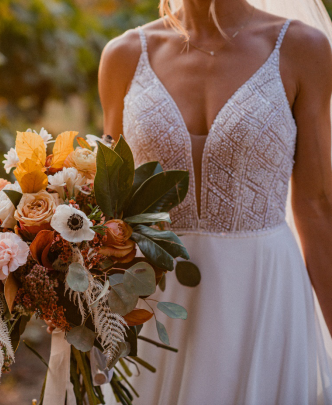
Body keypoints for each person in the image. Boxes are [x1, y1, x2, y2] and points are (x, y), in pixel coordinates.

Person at [96, 0, 332, 403]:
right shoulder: (124, 55)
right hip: (153, 300)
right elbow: (108, 204)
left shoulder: (302, 48)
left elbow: (315, 205)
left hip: (263, 292)